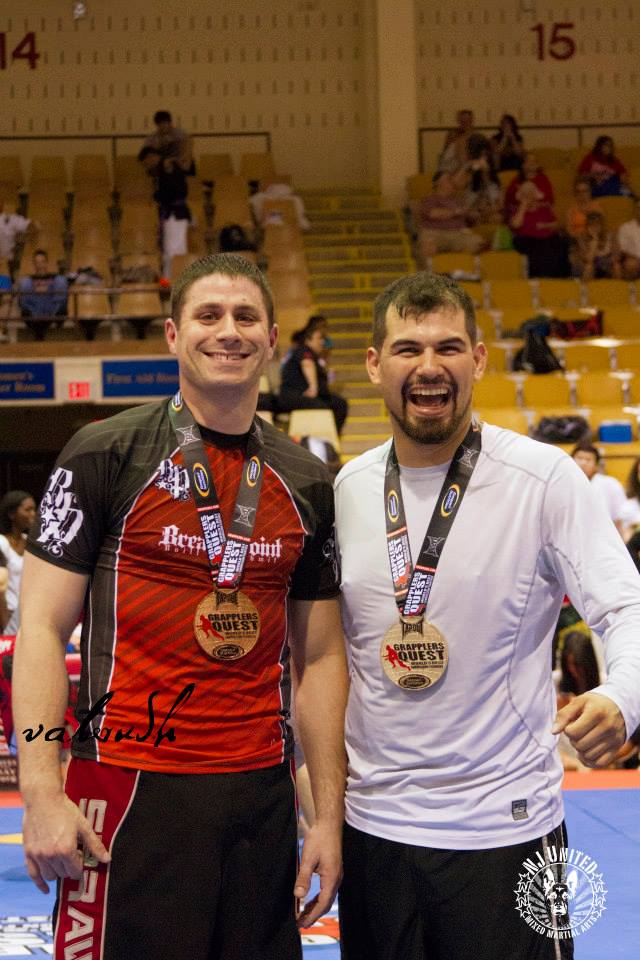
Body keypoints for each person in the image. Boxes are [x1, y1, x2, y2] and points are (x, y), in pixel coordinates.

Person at [13, 253, 348, 960]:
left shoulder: (306, 481)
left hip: (259, 795)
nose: (228, 331)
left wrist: (325, 815)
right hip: (126, 784)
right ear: (173, 334)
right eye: (208, 315)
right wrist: (40, 791)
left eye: (246, 317)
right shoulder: (105, 452)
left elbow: (319, 659)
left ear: (271, 339)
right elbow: (40, 627)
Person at [334, 271, 640, 960]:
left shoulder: (543, 479)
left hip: (509, 829)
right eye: (408, 349)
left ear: (478, 359)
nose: (429, 366)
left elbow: (628, 606)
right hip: (375, 833)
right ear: (375, 365)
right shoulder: (350, 488)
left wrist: (623, 695)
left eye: (448, 347)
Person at [505, 152, 569, 277]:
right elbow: (516, 225)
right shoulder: (517, 209)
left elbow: (557, 224)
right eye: (526, 193)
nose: (529, 196)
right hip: (527, 239)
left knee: (560, 244)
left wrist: (545, 226)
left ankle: (560, 281)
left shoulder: (544, 208)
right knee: (541, 250)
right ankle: (541, 280)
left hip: (547, 237)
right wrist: (523, 206)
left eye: (532, 193)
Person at [279, 320, 348, 433]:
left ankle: (331, 436)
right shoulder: (304, 351)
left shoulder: (313, 355)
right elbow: (307, 364)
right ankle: (322, 437)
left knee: (339, 403)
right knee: (323, 408)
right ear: (308, 340)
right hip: (294, 397)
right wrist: (313, 388)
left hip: (306, 396)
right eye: (319, 338)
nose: (322, 342)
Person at [417, 171, 484, 263]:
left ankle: (458, 266)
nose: (452, 182)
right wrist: (457, 211)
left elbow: (471, 217)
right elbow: (433, 213)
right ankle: (432, 271)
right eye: (448, 179)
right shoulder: (430, 199)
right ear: (437, 183)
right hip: (435, 233)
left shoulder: (458, 200)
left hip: (458, 233)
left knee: (478, 243)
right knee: (428, 247)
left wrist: (475, 213)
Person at [571, 442, 627, 537]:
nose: (583, 463)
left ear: (596, 465)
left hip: (604, 537)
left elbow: (619, 518)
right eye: (579, 458)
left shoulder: (611, 484)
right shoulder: (562, 484)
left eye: (588, 460)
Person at [0, 490, 36, 636]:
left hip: (27, 613)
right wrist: (6, 626)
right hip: (7, 613)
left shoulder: (29, 541)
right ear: (12, 514)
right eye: (28, 510)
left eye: (34, 509)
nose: (33, 514)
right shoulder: (1, 543)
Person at [17, 249, 69, 318]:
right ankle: (32, 314)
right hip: (34, 306)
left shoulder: (55, 278)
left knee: (61, 280)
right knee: (24, 282)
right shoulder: (29, 280)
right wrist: (44, 289)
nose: (40, 265)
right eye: (37, 262)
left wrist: (44, 289)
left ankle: (55, 313)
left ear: (47, 263)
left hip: (51, 304)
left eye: (42, 262)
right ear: (34, 264)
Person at [571, 211, 620, 280]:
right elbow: (589, 259)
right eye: (591, 225)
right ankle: (585, 287)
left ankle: (616, 286)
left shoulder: (610, 235)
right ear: (587, 227)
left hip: (606, 262)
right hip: (586, 265)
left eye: (597, 224)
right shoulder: (581, 238)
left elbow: (617, 255)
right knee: (589, 267)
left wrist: (611, 260)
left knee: (616, 266)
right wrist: (595, 240)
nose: (595, 227)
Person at [437, 109, 476, 174]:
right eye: (462, 121)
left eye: (466, 120)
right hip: (452, 166)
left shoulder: (475, 136)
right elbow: (446, 152)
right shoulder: (452, 135)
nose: (464, 123)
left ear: (471, 121)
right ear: (459, 121)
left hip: (468, 165)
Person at [617, 197, 640, 280]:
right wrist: (637, 259)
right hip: (632, 259)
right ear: (635, 210)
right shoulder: (625, 227)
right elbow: (623, 250)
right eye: (638, 208)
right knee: (630, 264)